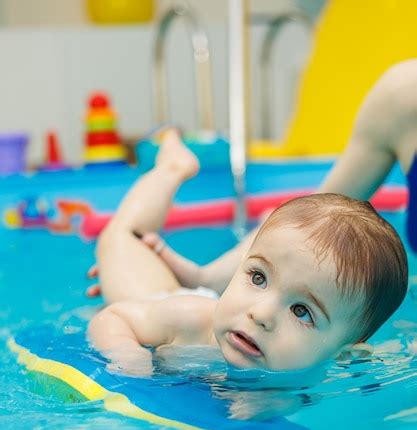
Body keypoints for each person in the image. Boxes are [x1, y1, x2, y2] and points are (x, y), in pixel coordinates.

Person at [88, 129, 408, 376]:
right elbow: (112, 318)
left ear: (342, 356)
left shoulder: (309, 377)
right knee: (121, 236)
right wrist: (129, 358)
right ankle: (173, 168)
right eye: (257, 277)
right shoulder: (189, 320)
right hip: (154, 298)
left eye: (301, 311)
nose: (262, 314)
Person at [129, 58, 417, 295]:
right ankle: (170, 168)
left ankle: (172, 166)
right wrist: (197, 278)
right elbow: (312, 220)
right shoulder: (403, 97)